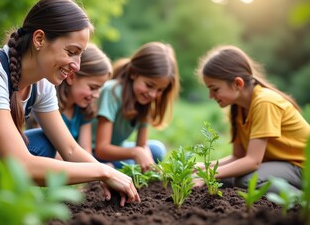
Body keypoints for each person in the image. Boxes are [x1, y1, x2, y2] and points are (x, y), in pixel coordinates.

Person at [0, 0, 140, 209]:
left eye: (80, 55)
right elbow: (22, 165)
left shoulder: (42, 85)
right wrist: (102, 171)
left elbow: (69, 149)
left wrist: (107, 175)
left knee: (43, 143)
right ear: (39, 39)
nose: (77, 65)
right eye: (71, 52)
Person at [195, 45, 310, 193]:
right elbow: (238, 156)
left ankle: (303, 203)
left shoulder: (264, 102)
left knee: (247, 180)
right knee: (225, 178)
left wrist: (206, 175)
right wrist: (202, 167)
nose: (211, 96)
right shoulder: (237, 109)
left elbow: (252, 161)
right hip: (285, 165)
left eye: (215, 89)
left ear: (237, 84)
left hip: (302, 166)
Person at [92, 41, 180, 172]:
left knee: (157, 150)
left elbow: (142, 144)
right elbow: (102, 149)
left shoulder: (145, 100)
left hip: (117, 151)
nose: (153, 94)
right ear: (133, 73)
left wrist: (148, 162)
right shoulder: (113, 92)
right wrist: (136, 152)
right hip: (93, 154)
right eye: (149, 85)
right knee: (135, 159)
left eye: (160, 89)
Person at [56, 43, 112, 154]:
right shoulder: (49, 106)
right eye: (93, 87)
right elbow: (51, 153)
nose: (96, 95)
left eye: (99, 89)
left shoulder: (84, 111)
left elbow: (86, 150)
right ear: (71, 77)